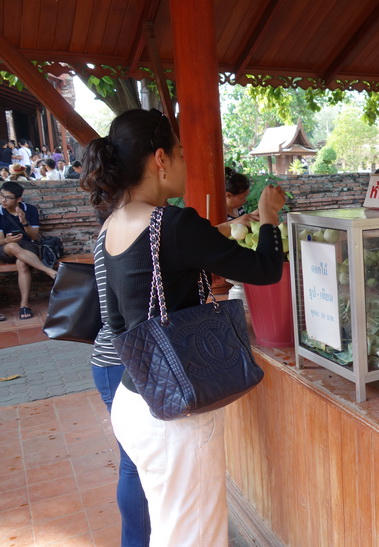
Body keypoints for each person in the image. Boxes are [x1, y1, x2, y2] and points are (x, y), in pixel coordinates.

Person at [81, 108, 286, 546]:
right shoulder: (171, 224)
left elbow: (118, 325)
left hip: (134, 401)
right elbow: (266, 269)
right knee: (192, 535)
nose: (185, 163)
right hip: (174, 415)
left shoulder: (113, 226)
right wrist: (268, 217)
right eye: (179, 153)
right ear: (160, 159)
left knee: (173, 527)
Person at [88, 225, 151, 546]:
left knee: (139, 460)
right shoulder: (119, 230)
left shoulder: (119, 227)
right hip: (118, 361)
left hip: (120, 358)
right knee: (134, 462)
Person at [0, 180, 58, 319]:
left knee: (22, 263)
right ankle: (48, 271)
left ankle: (24, 305)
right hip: (6, 248)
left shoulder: (29, 210)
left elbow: (35, 237)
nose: (3, 200)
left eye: (8, 197)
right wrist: (7, 240)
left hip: (27, 246)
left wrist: (24, 222)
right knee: (13, 246)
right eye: (1, 195)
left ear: (18, 199)